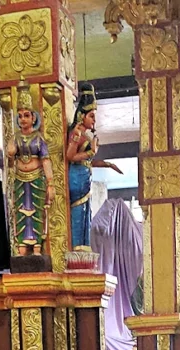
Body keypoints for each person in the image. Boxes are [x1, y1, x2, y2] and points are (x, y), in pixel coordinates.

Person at [66, 82, 121, 250]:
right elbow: (70, 156)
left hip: (84, 174)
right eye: (91, 115)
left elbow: (86, 161)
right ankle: (77, 246)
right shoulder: (76, 133)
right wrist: (92, 152)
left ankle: (83, 246)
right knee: (79, 211)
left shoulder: (84, 134)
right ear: (82, 116)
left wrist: (106, 164)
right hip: (76, 176)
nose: (94, 120)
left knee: (86, 212)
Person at [5, 82, 55, 256]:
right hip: (20, 179)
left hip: (37, 180)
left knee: (36, 211)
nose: (23, 119)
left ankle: (36, 248)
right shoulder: (16, 137)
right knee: (20, 212)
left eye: (26, 115)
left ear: (34, 118)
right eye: (20, 116)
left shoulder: (39, 139)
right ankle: (21, 248)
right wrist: (10, 155)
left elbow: (46, 161)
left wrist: (50, 183)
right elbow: (10, 164)